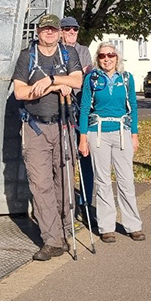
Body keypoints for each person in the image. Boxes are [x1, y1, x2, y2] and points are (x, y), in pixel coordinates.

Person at [12, 13, 83, 261]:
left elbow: (77, 80)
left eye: (54, 29)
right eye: (45, 30)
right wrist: (53, 87)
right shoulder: (26, 57)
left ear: (59, 32)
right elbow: (20, 92)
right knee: (41, 185)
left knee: (63, 182)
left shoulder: (68, 54)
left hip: (63, 125)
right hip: (35, 128)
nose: (50, 33)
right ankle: (52, 240)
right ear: (38, 32)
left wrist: (51, 81)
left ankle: (65, 231)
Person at [78, 42, 145, 243]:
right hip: (97, 133)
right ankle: (106, 226)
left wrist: (134, 134)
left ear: (117, 58)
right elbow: (83, 108)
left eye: (111, 55)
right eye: (102, 56)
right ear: (97, 59)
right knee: (102, 180)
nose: (107, 59)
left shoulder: (126, 78)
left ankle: (133, 224)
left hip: (121, 131)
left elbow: (132, 105)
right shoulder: (92, 79)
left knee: (126, 180)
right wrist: (83, 138)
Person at [60, 16, 95, 216]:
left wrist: (72, 78)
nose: (72, 32)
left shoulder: (82, 50)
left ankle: (85, 202)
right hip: (62, 109)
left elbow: (85, 78)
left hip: (81, 109)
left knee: (85, 155)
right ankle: (67, 203)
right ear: (61, 31)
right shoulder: (55, 50)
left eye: (75, 29)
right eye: (67, 29)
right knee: (65, 157)